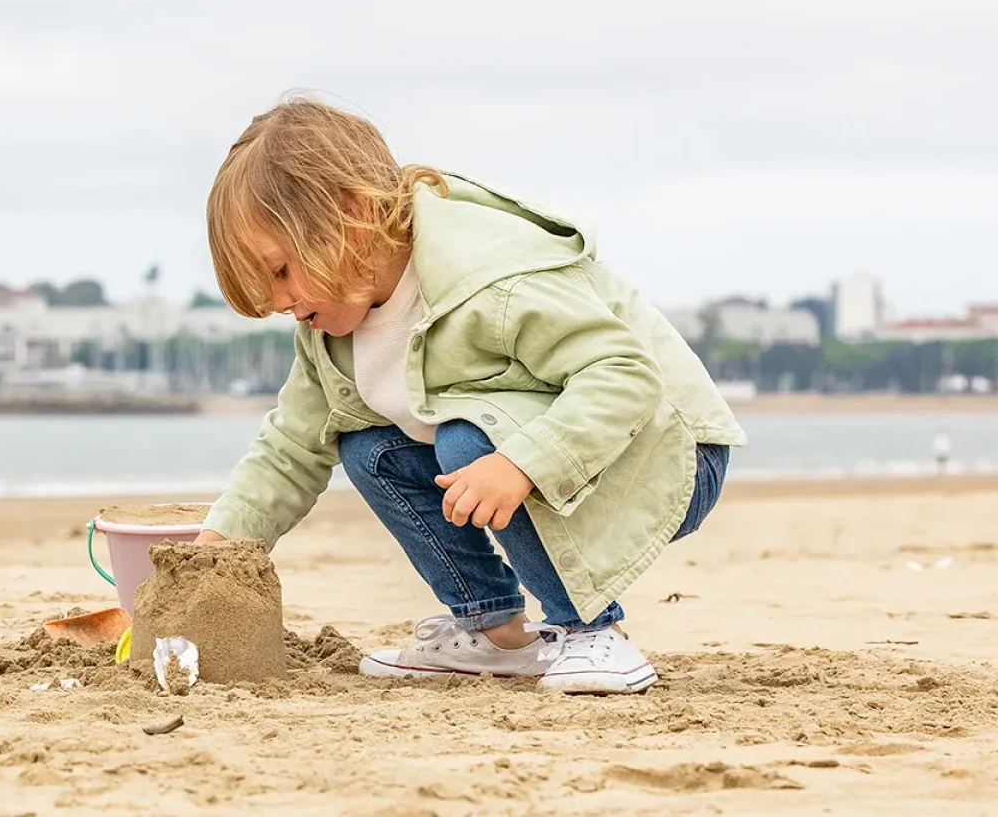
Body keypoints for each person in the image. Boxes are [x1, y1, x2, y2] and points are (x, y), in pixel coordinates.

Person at [196, 96, 744, 694]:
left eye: (281, 271)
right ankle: (495, 630)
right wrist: (211, 553)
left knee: (467, 443)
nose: (278, 302)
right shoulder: (330, 333)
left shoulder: (491, 278)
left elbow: (625, 374)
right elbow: (290, 448)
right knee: (368, 448)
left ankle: (589, 631)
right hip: (546, 446)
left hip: (672, 453)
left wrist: (520, 465)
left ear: (349, 216)